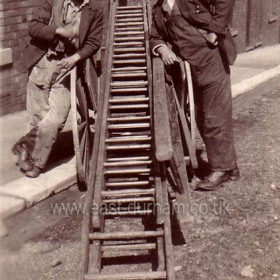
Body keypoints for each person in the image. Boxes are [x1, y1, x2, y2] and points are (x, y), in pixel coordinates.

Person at [150, 0, 240, 190]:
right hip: (193, 68)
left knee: (214, 116)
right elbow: (153, 36)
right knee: (202, 117)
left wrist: (215, 30)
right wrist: (162, 48)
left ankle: (221, 170)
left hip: (211, 58)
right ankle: (230, 166)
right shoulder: (158, 9)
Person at [12, 0, 103, 178]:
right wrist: (59, 30)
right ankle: (36, 162)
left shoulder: (95, 8)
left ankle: (25, 146)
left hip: (67, 67)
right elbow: (34, 28)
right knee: (38, 116)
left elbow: (93, 42)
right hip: (42, 62)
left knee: (57, 118)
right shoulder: (52, 1)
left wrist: (76, 57)